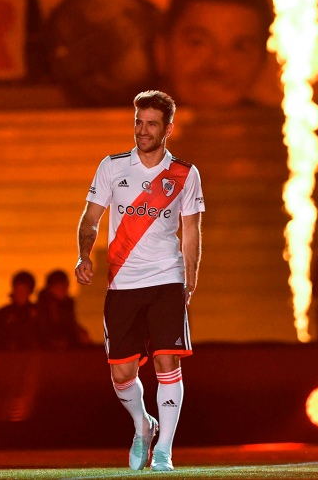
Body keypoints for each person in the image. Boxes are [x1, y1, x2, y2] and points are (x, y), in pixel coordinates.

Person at [75, 90, 204, 472]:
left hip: (167, 277)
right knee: (121, 373)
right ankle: (143, 426)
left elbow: (193, 230)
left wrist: (190, 277)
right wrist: (84, 254)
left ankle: (163, 449)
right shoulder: (112, 167)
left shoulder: (184, 174)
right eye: (138, 123)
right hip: (123, 283)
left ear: (167, 128)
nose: (143, 131)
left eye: (151, 124)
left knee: (167, 360)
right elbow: (90, 219)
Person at [154, 0, 271, 108]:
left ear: (263, 60)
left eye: (240, 48)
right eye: (197, 43)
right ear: (161, 50)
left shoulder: (282, 125)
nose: (220, 64)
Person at [37, 269, 91, 349]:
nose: (63, 290)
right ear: (50, 288)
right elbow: (46, 328)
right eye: (59, 287)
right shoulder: (44, 307)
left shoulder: (67, 304)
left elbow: (70, 323)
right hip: (49, 348)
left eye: (65, 286)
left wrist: (80, 332)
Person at [0, 270, 43, 351]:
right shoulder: (4, 313)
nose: (20, 294)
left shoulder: (38, 312)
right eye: (18, 290)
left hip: (33, 356)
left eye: (24, 291)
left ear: (30, 292)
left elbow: (43, 335)